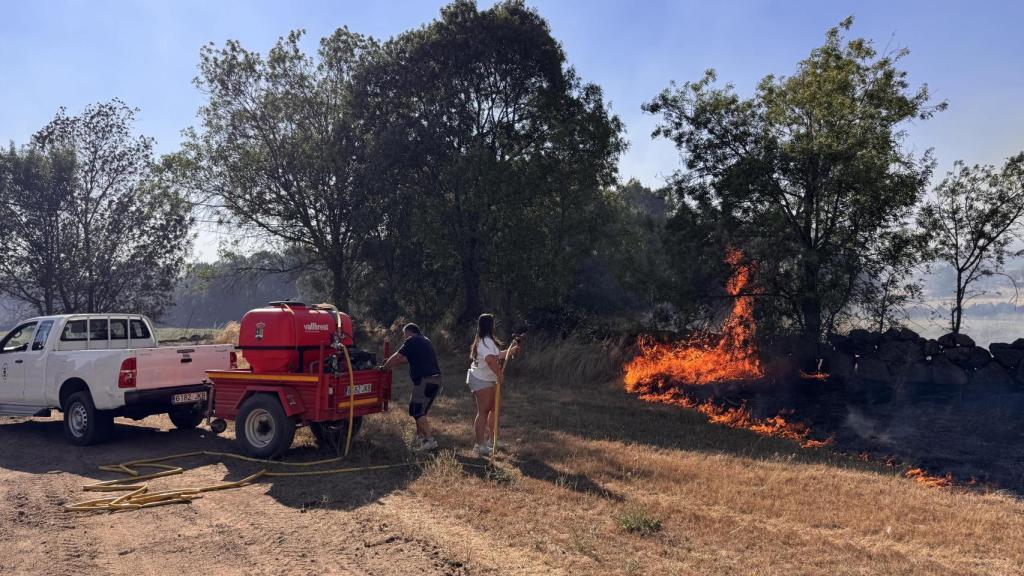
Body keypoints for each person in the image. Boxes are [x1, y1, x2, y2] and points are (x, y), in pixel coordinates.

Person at [380, 323, 442, 451]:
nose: (404, 337)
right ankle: (420, 439)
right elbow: (405, 359)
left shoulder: (412, 340)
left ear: (409, 332)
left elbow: (397, 356)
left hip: (425, 380)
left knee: (416, 410)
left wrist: (384, 367)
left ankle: (430, 440)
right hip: (435, 380)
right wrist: (391, 362)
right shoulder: (424, 340)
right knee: (419, 411)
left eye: (404, 334)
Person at [466, 313, 520, 456]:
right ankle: (479, 445)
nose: (495, 324)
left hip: (488, 378)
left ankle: (492, 440)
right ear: (490, 325)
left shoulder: (488, 341)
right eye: (493, 322)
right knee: (483, 411)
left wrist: (512, 350)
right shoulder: (484, 341)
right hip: (480, 379)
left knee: (494, 409)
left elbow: (495, 356)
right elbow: (490, 360)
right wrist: (500, 374)